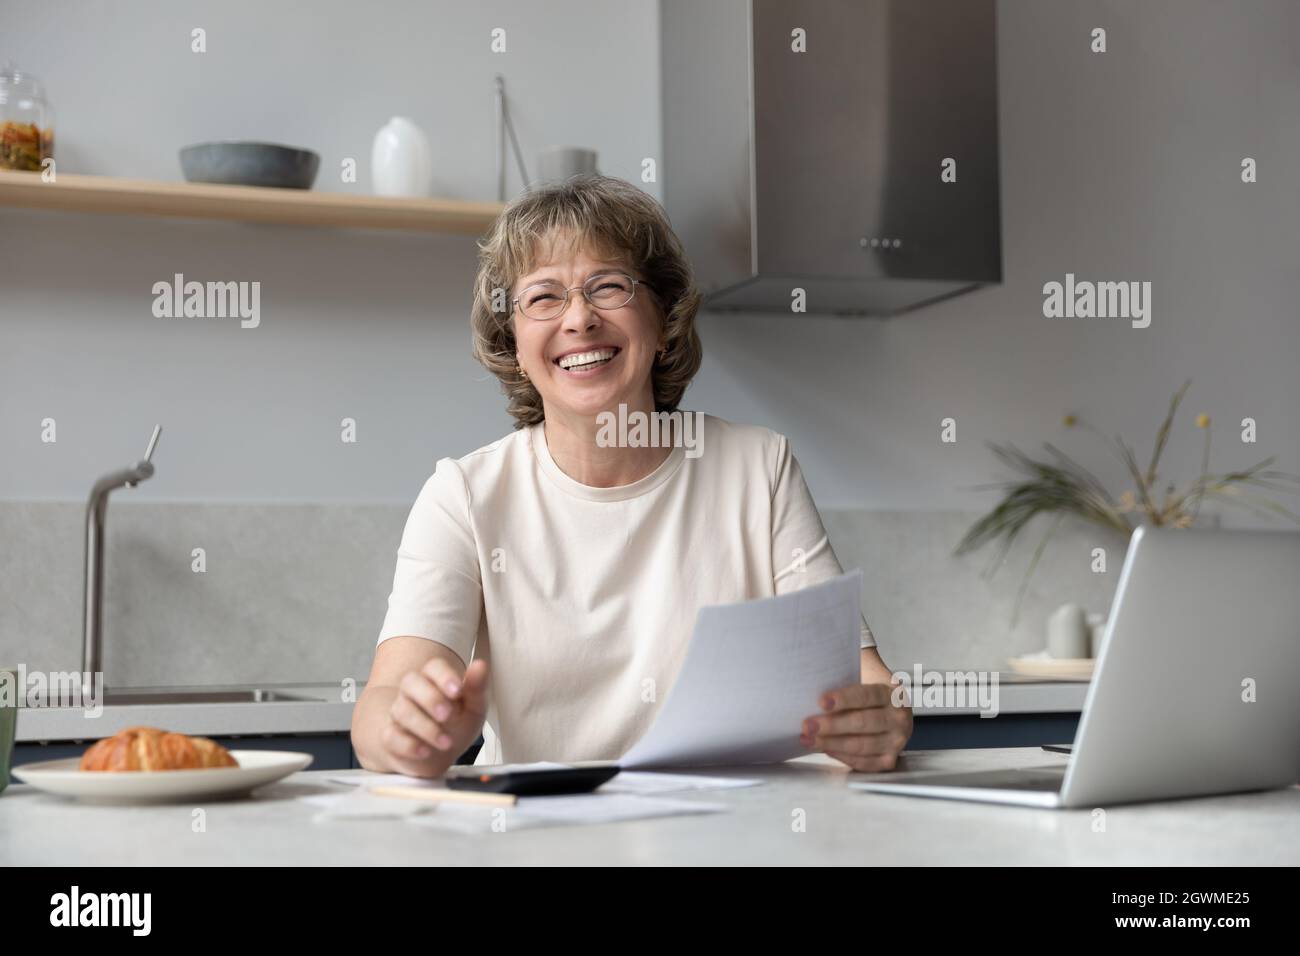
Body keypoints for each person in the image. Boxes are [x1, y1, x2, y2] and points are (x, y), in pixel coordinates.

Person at [351, 175, 912, 776]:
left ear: (662, 318)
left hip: (734, 832)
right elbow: (382, 705)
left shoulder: (760, 468)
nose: (579, 319)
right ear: (513, 342)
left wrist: (878, 719)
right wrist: (409, 735)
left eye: (608, 287)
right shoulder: (463, 496)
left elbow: (866, 683)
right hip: (539, 833)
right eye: (543, 297)